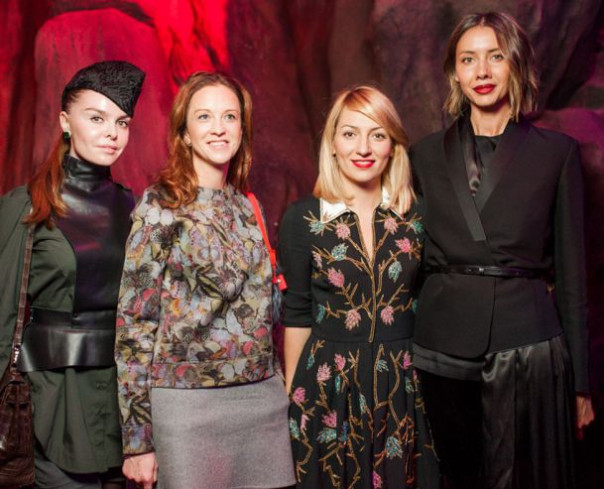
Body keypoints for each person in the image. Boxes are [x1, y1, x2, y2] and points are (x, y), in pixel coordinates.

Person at [410, 12, 595, 489]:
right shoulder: (424, 154)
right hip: (441, 343)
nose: (482, 71)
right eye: (468, 60)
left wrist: (580, 384)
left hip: (527, 344)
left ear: (516, 63)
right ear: (455, 73)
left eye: (495, 57)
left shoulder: (557, 153)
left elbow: (573, 277)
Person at [115, 71, 295, 489]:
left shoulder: (248, 205)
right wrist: (138, 443)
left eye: (230, 116)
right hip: (187, 409)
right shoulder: (160, 205)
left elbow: (266, 311)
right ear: (185, 134)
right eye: (204, 117)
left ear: (242, 129)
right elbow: (133, 326)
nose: (219, 128)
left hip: (262, 401)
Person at [279, 86, 442, 489]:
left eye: (377, 135)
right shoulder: (304, 218)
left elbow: (431, 300)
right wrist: (293, 401)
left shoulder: (417, 215)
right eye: (350, 133)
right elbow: (297, 314)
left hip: (404, 385)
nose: (363, 148)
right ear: (333, 144)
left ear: (393, 146)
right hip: (328, 388)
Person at [0, 60, 145, 488]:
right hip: (52, 399)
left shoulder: (135, 207)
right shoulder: (26, 205)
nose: (112, 133)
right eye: (96, 118)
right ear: (65, 122)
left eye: (122, 122)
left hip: (123, 400)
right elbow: (2, 315)